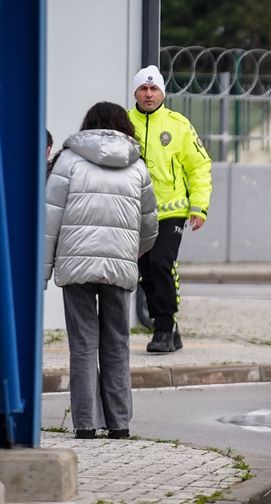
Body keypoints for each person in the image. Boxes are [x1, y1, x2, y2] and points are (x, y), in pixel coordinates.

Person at [44, 102, 158, 439]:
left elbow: (51, 216)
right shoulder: (137, 165)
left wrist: (44, 269)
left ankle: (85, 424)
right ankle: (119, 424)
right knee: (117, 343)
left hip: (76, 264)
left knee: (82, 345)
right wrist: (134, 251)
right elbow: (150, 225)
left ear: (88, 125)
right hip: (120, 267)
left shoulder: (67, 160)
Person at [128, 65, 213, 353]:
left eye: (154, 89)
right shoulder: (124, 124)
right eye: (143, 89)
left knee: (161, 263)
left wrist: (199, 206)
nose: (149, 94)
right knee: (144, 271)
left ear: (162, 92)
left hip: (171, 211)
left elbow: (199, 166)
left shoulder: (179, 124)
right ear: (136, 93)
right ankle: (166, 324)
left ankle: (164, 326)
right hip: (136, 213)